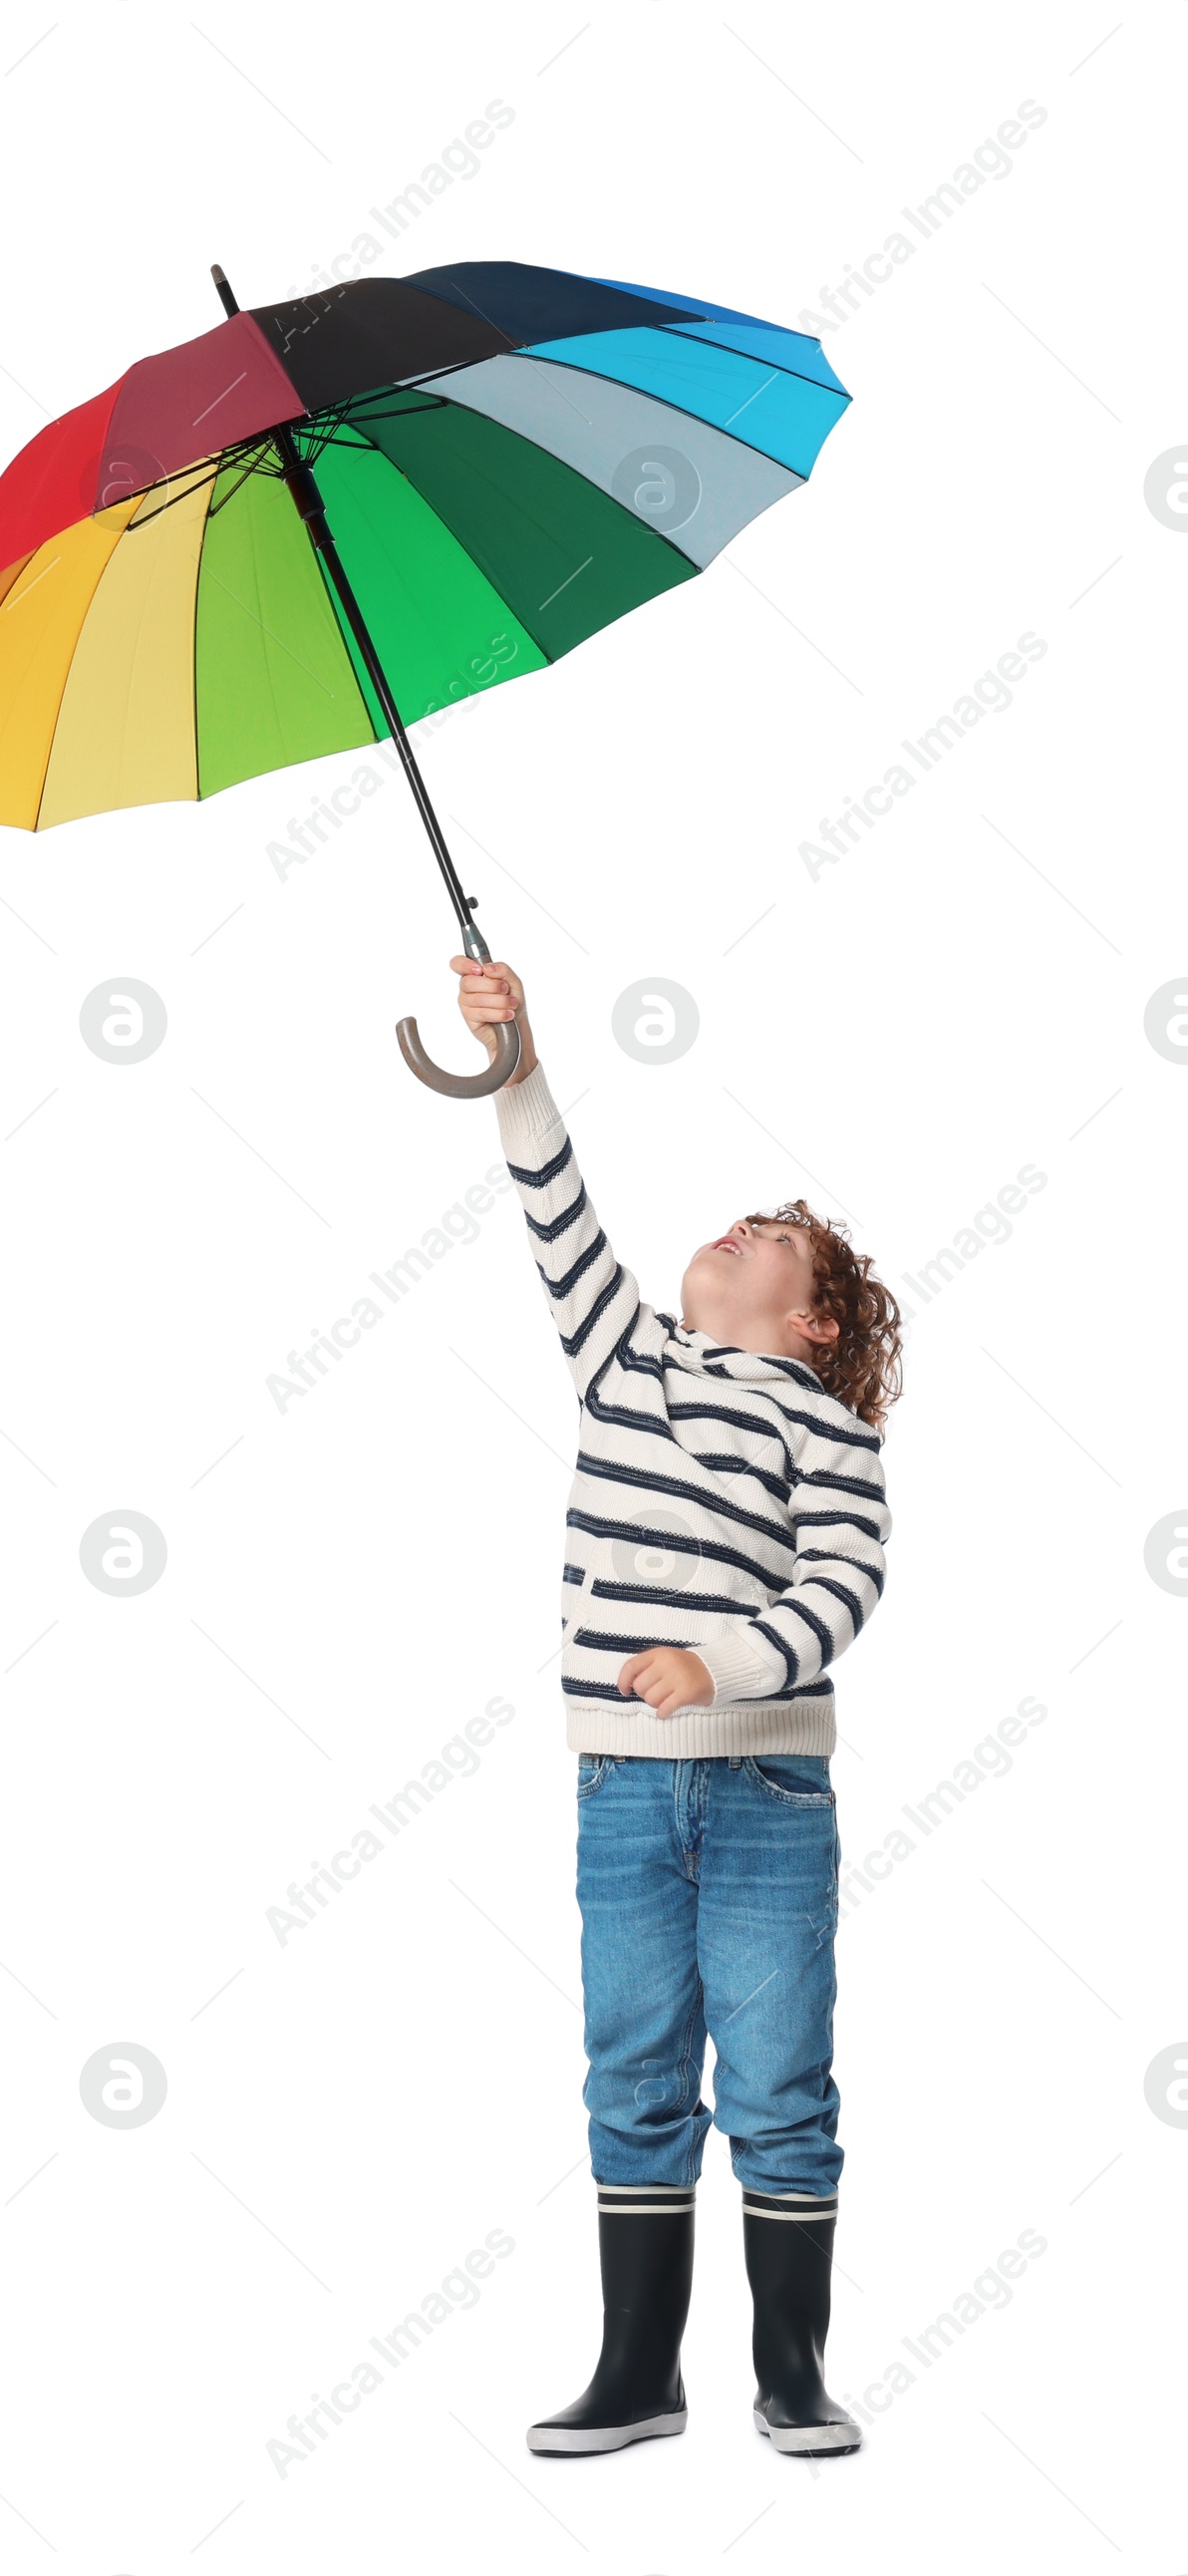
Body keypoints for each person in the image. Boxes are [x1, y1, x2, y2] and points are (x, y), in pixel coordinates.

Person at [451, 953, 901, 2460]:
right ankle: (638, 2367)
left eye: (774, 1239)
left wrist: (725, 1667)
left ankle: (790, 2367)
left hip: (768, 1791)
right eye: (737, 1220)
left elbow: (844, 1588)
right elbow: (557, 1211)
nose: (736, 1230)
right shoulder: (625, 1359)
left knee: (779, 2074)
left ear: (818, 1322)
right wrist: (516, 1061)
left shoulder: (827, 1427)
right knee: (634, 2066)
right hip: (621, 1788)